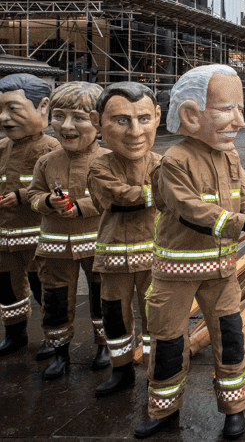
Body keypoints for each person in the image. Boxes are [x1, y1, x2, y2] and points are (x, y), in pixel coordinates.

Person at [135, 65, 245, 440]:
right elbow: (191, 211)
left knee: (230, 338)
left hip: (222, 270)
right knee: (168, 340)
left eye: (240, 108)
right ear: (190, 115)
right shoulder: (175, 161)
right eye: (228, 109)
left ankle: (235, 410)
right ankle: (163, 409)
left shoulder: (228, 155)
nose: (241, 121)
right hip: (175, 272)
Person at [27, 82, 110, 379]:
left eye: (79, 117)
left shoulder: (108, 160)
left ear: (99, 122)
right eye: (59, 116)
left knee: (104, 297)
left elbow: (113, 196)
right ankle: (60, 351)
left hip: (98, 243)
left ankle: (104, 345)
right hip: (54, 245)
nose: (66, 126)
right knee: (56, 300)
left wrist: (82, 207)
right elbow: (33, 195)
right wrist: (48, 201)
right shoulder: (46, 161)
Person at [88, 82, 163, 397]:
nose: (134, 131)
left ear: (157, 117)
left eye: (143, 119)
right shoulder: (99, 166)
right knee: (115, 316)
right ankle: (120, 370)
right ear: (98, 123)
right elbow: (115, 197)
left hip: (156, 256)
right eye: (121, 120)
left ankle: (153, 370)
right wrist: (157, 194)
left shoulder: (161, 163)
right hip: (115, 255)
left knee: (155, 318)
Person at [0, 74, 60, 358]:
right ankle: (14, 332)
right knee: (8, 289)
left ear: (42, 106)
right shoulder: (2, 148)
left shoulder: (51, 149)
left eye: (13, 109)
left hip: (38, 236)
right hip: (5, 237)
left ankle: (54, 336)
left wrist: (23, 196)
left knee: (45, 288)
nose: (4, 118)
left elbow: (61, 189)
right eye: (0, 110)